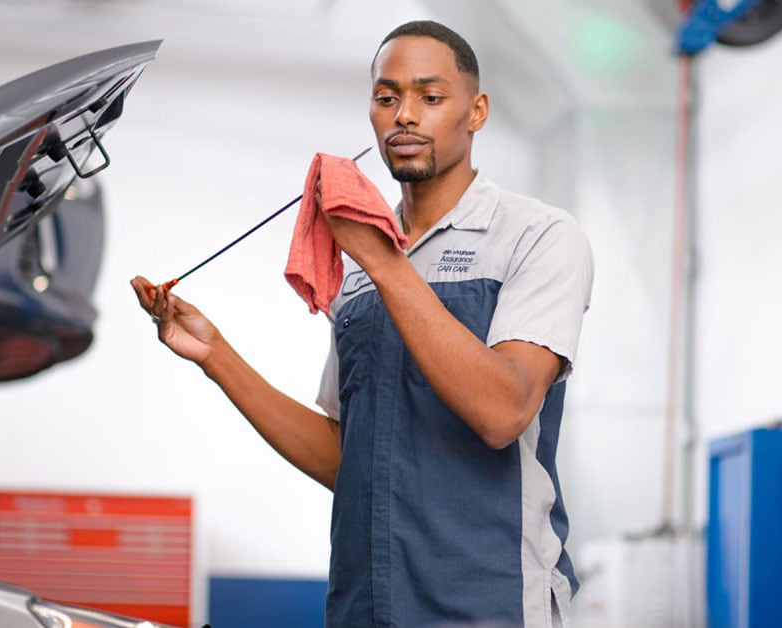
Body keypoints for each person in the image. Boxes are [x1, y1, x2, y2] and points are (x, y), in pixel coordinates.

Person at [132, 20, 593, 628]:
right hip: (365, 605)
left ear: (476, 111)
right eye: (386, 97)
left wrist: (379, 257)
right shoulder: (358, 275)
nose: (405, 115)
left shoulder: (535, 237)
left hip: (490, 606)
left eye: (431, 97)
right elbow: (349, 459)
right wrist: (217, 357)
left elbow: (503, 412)